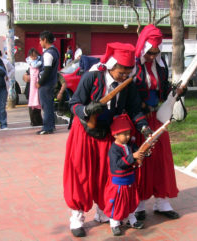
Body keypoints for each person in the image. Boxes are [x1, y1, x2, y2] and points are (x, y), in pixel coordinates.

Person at [63, 42, 152, 237]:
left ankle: (104, 211)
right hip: (85, 133)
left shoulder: (127, 86)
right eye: (121, 73)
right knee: (82, 175)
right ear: (111, 66)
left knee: (106, 175)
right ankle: (76, 217)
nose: (124, 77)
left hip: (108, 135)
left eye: (128, 73)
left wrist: (144, 127)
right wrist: (86, 110)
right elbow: (74, 103)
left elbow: (135, 109)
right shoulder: (91, 78)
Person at [134, 24, 185, 220]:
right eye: (149, 52)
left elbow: (162, 90)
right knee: (141, 159)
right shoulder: (133, 62)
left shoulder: (160, 64)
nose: (152, 56)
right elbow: (127, 91)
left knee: (161, 159)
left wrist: (176, 91)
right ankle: (138, 204)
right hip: (137, 119)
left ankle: (161, 201)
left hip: (157, 117)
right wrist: (141, 107)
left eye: (156, 52)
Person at [104, 114, 145, 236]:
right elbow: (119, 164)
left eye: (128, 133)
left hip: (130, 180)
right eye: (124, 134)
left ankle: (131, 220)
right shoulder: (114, 149)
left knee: (131, 201)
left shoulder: (129, 145)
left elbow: (138, 153)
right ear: (115, 134)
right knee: (117, 203)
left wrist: (143, 153)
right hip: (119, 184)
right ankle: (115, 223)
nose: (128, 136)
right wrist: (133, 156)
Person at [36, 31, 59, 135]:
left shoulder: (48, 53)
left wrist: (40, 82)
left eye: (40, 40)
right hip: (51, 82)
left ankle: (47, 127)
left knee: (46, 106)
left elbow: (47, 70)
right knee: (49, 104)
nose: (40, 42)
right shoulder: (55, 51)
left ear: (45, 39)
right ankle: (51, 125)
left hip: (46, 84)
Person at [25, 48, 43, 126]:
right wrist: (26, 76)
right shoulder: (30, 64)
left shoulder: (41, 63)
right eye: (32, 56)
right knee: (32, 105)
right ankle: (34, 121)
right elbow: (25, 75)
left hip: (38, 86)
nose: (34, 58)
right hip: (31, 88)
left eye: (35, 56)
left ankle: (38, 121)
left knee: (37, 105)